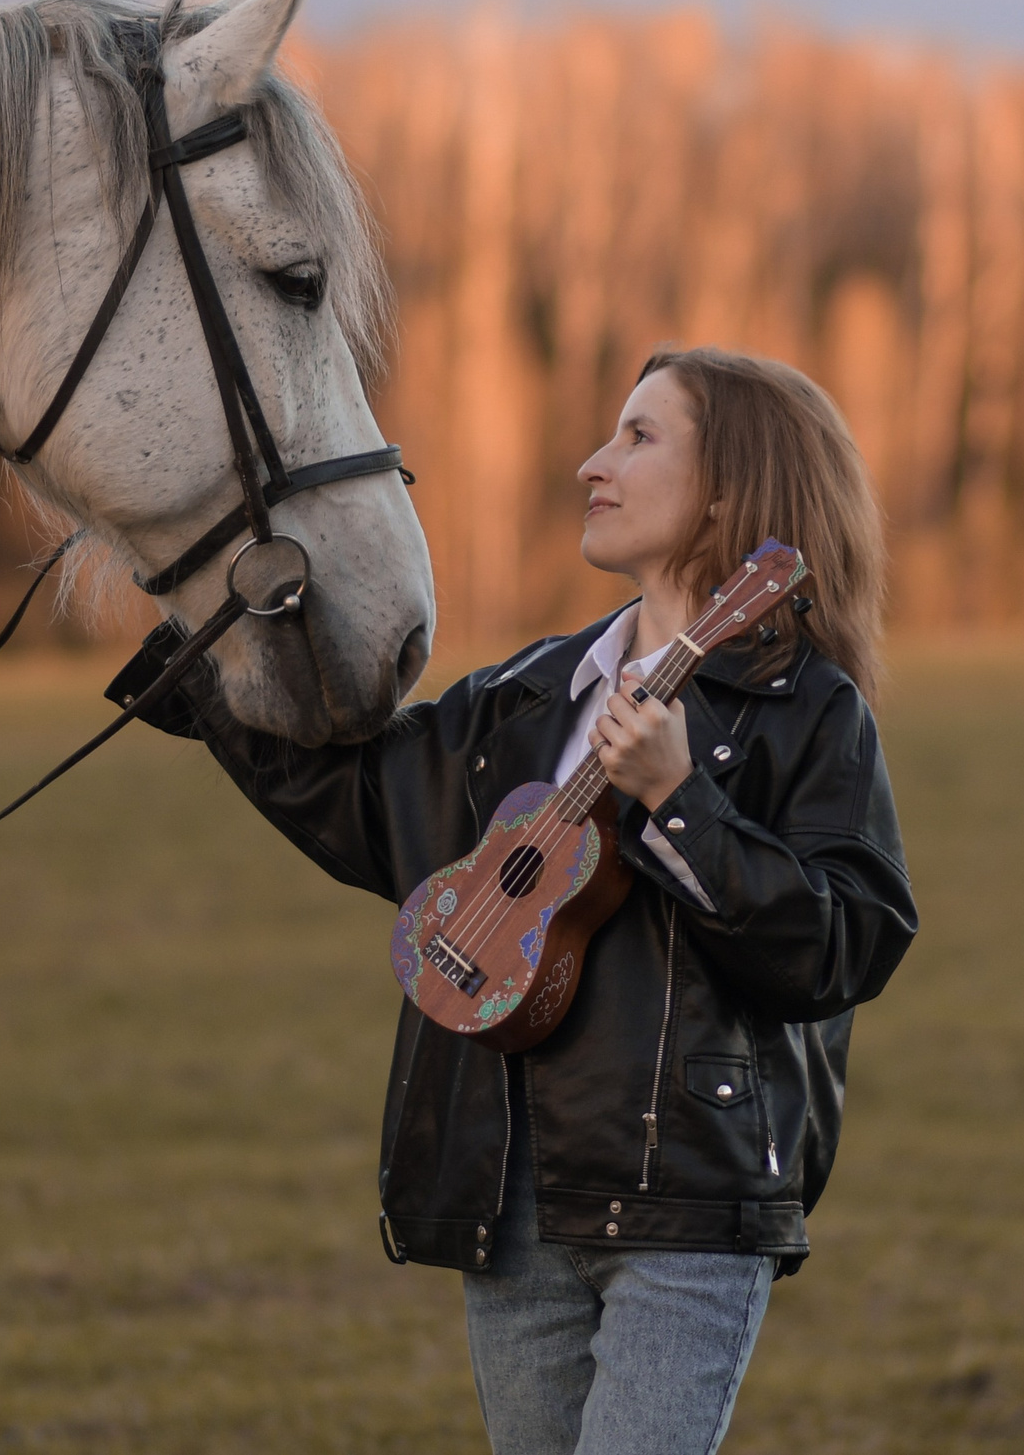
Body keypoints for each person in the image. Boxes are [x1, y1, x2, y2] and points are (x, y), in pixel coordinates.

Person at [135, 346, 917, 1455]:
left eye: (641, 437)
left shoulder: (808, 710)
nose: (595, 463)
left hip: (684, 1206)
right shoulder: (526, 695)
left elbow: (841, 945)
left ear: (730, 493)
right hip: (508, 1197)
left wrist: (679, 800)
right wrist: (195, 653)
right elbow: (365, 806)